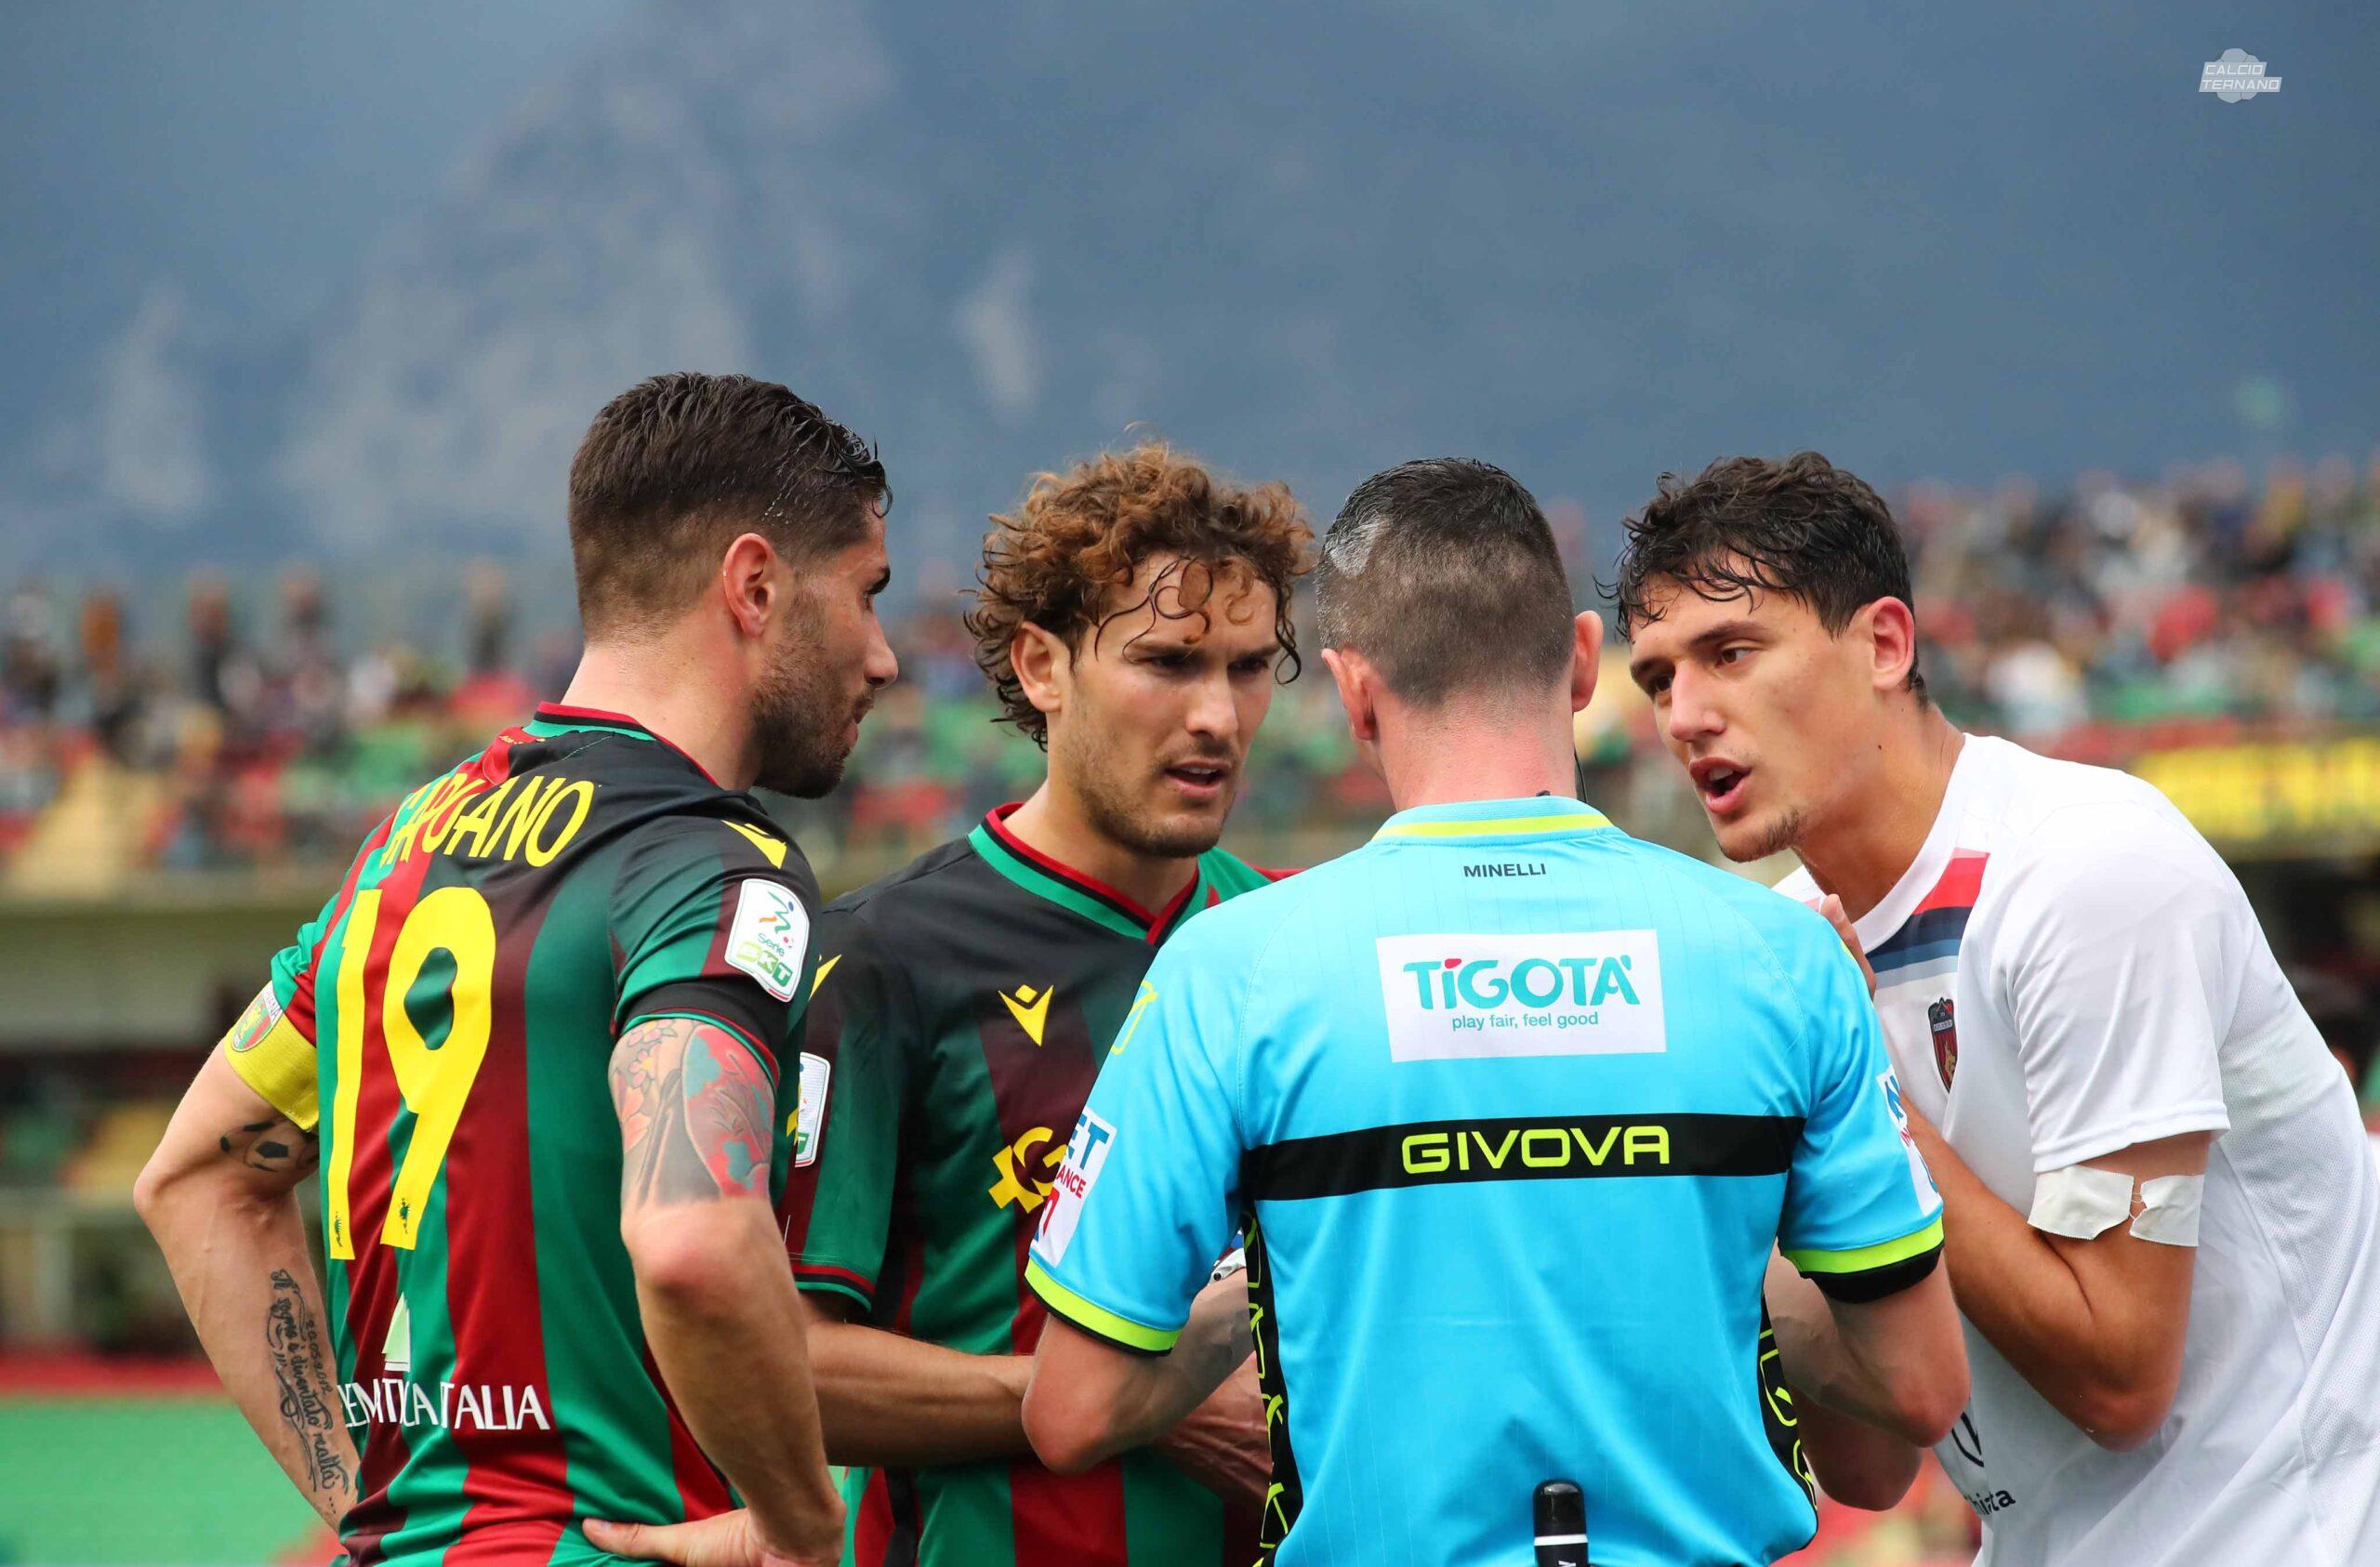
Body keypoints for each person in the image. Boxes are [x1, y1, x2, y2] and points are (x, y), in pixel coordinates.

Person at [1016, 459, 1967, 1567]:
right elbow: (1919, 1390)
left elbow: (1070, 1414)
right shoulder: (1784, 956)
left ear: (1352, 690)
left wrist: (1253, 1279)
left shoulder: (1230, 969)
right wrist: (1717, 1224)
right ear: (1577, 662)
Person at [136, 373, 897, 1567]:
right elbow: (694, 1243)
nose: (886, 656)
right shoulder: (712, 868)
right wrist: (804, 1531)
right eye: (867, 596)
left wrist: (358, 1509)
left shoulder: (409, 842)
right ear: (754, 587)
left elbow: (194, 1179)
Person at [1613, 451, 2380, 1566]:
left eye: (1731, 653)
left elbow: (2120, 1379)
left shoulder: (2085, 871)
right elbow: (1869, 1465)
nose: (1685, 715)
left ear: (1884, 643)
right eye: (1657, 680)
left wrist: (1850, 1084)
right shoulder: (1783, 946)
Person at [598, 441, 1312, 1567]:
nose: (1218, 716)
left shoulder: (1299, 943)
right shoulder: (885, 960)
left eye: (1248, 667)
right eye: (1168, 663)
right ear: (1041, 665)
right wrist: (1127, 1396)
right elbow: (789, 1363)